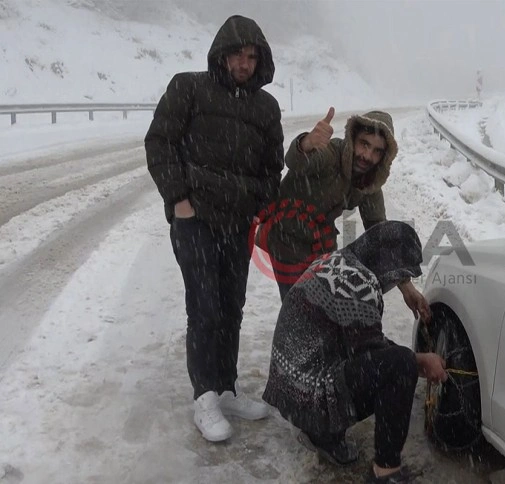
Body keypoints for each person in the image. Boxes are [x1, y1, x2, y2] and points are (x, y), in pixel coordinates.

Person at [144, 15, 284, 442]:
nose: (244, 63)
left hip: (237, 225)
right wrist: (178, 200)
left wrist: (260, 209)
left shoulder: (266, 107)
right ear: (222, 54)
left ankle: (225, 389)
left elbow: (271, 169)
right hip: (197, 221)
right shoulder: (189, 87)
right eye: (238, 54)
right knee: (204, 306)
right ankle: (204, 395)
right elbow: (159, 142)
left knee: (231, 307)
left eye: (251, 56)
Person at [262, 221, 448, 483]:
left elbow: (363, 341)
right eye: (398, 276)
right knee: (400, 365)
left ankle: (321, 433)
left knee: (395, 361)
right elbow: (376, 355)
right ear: (387, 264)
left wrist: (406, 287)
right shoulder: (358, 285)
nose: (396, 282)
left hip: (288, 386)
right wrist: (420, 362)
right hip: (306, 394)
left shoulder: (339, 261)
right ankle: (386, 471)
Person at [257, 107, 431, 322]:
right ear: (352, 139)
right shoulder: (331, 154)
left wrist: (406, 288)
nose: (367, 155)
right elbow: (296, 160)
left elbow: (380, 233)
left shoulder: (369, 181)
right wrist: (306, 144)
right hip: (286, 240)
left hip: (321, 246)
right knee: (302, 315)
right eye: (364, 144)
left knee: (330, 315)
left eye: (377, 151)